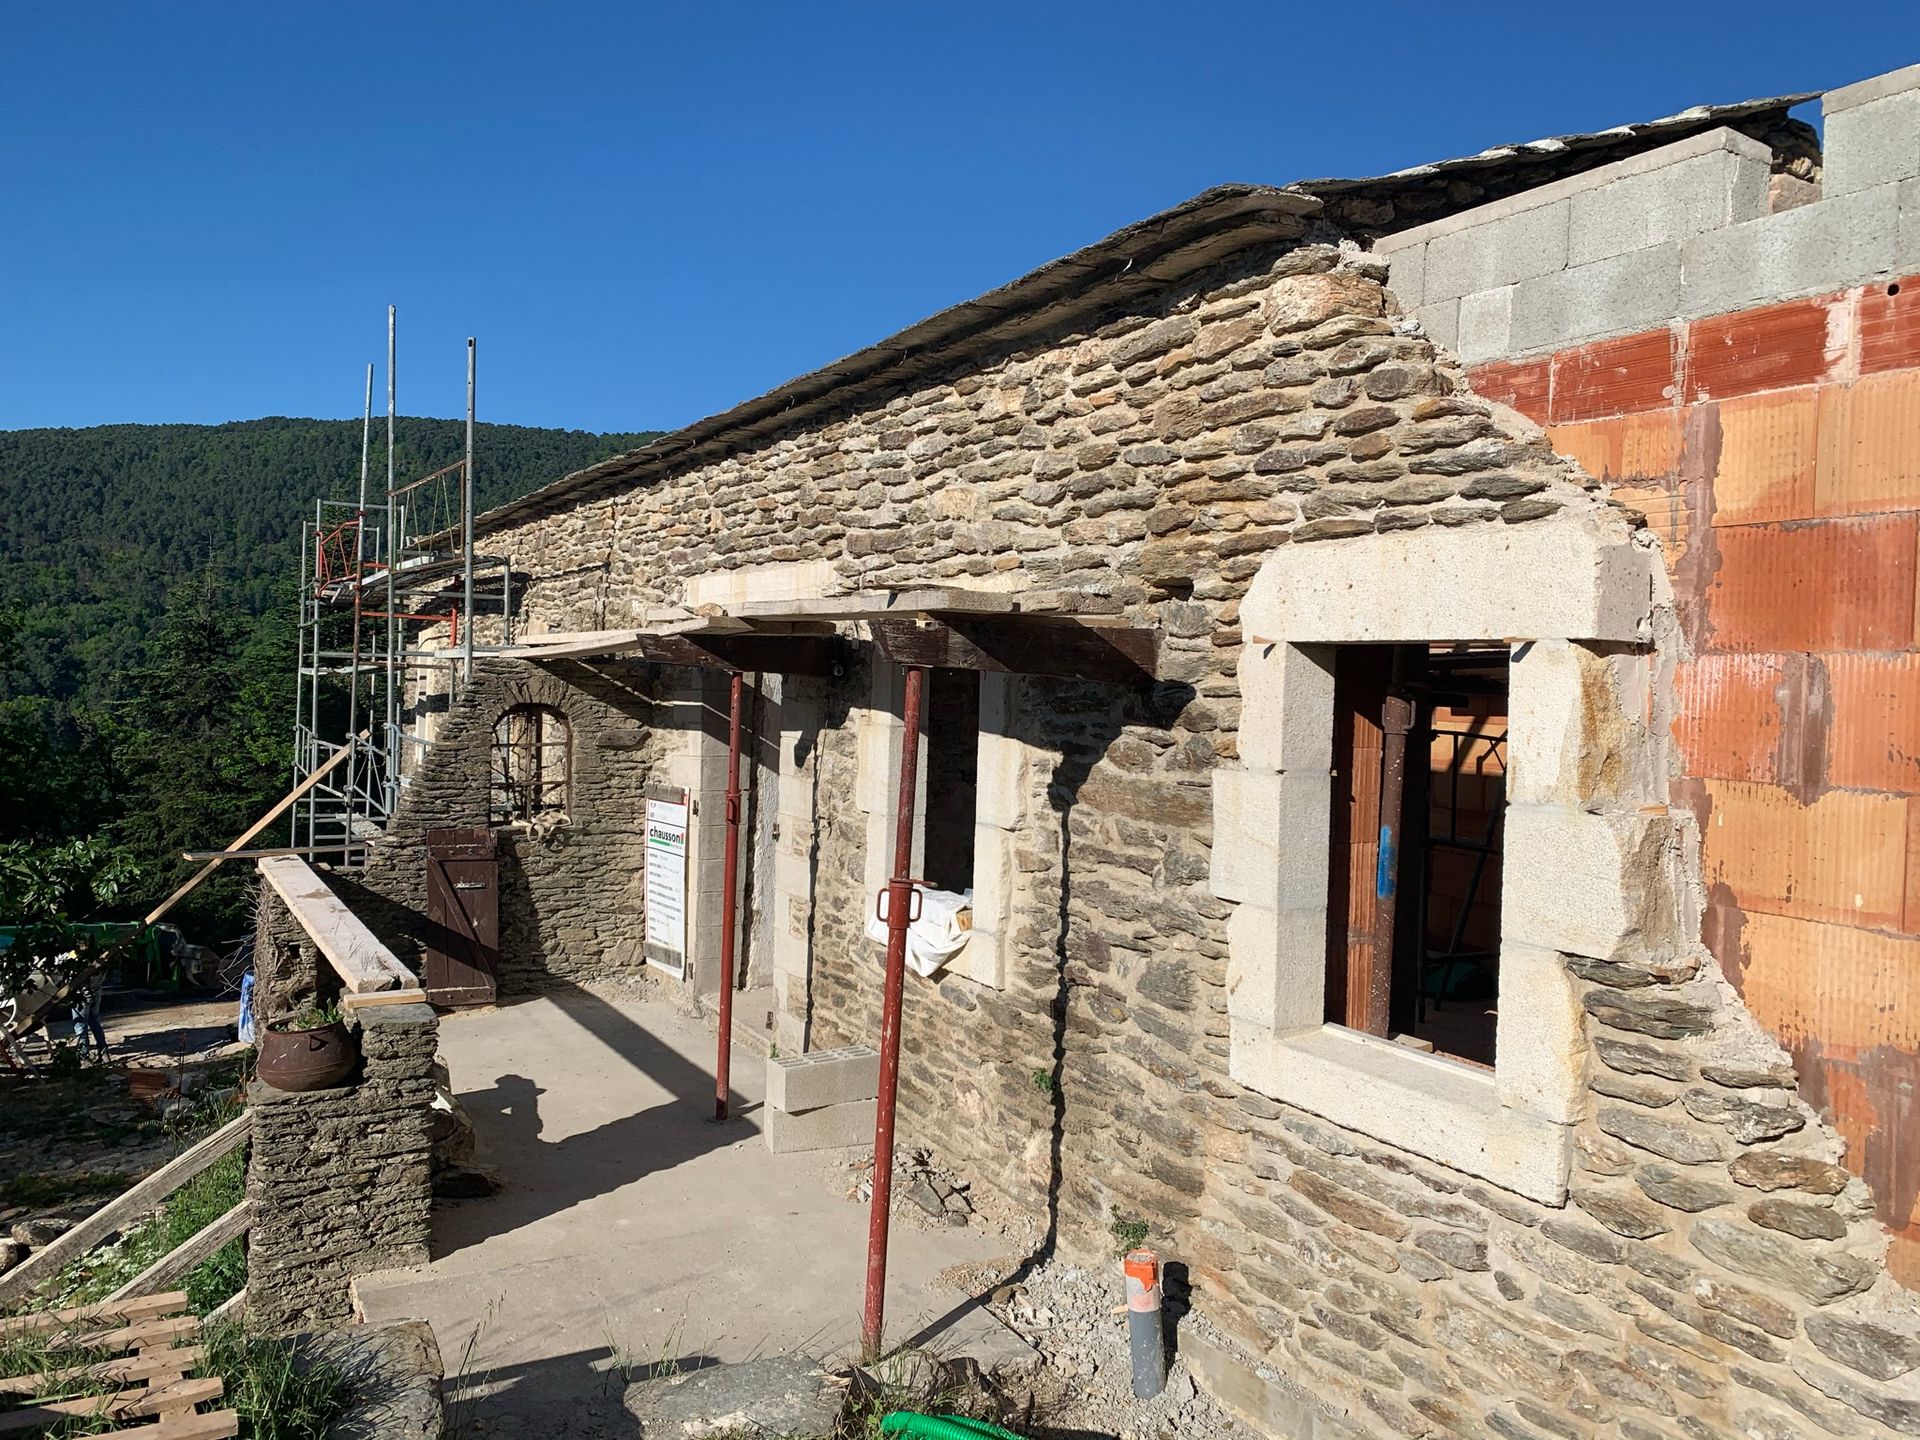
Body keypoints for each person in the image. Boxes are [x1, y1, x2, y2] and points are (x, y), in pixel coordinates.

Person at [76, 970, 108, 1061]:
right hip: (97, 993)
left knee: (80, 1026)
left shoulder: (77, 960)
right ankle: (104, 1052)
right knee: (95, 1023)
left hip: (81, 995)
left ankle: (84, 1056)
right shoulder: (103, 962)